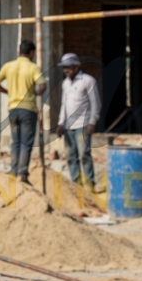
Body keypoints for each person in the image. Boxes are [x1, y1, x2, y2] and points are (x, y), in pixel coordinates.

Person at [0, 41, 46, 182]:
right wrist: (36, 93)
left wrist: (7, 91)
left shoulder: (8, 66)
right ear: (31, 53)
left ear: (18, 52)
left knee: (16, 142)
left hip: (13, 109)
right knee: (26, 142)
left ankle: (13, 171)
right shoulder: (33, 67)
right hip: (28, 110)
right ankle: (22, 174)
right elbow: (43, 85)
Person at [53, 53, 100, 187]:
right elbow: (64, 104)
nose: (65, 70)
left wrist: (92, 122)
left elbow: (95, 102)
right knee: (70, 156)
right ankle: (76, 184)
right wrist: (60, 123)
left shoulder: (87, 80)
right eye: (64, 68)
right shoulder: (65, 83)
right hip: (68, 126)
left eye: (68, 67)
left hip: (83, 125)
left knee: (84, 154)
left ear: (77, 66)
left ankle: (89, 184)